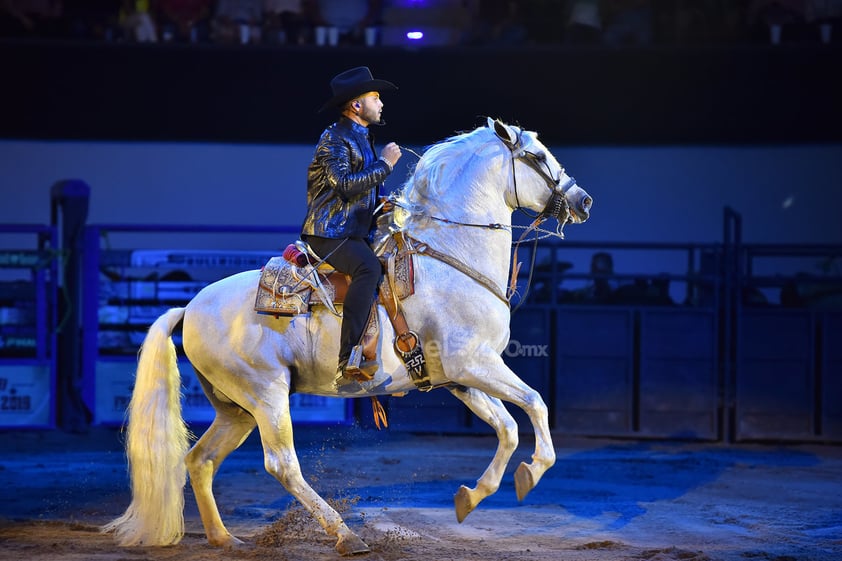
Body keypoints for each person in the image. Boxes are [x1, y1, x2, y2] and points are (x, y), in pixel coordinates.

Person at [300, 66, 402, 381]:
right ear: (356, 106)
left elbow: (361, 192)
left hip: (351, 233)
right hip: (329, 233)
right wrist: (385, 164)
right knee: (368, 269)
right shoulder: (334, 137)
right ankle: (349, 357)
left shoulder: (360, 137)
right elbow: (343, 184)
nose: (381, 103)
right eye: (375, 97)